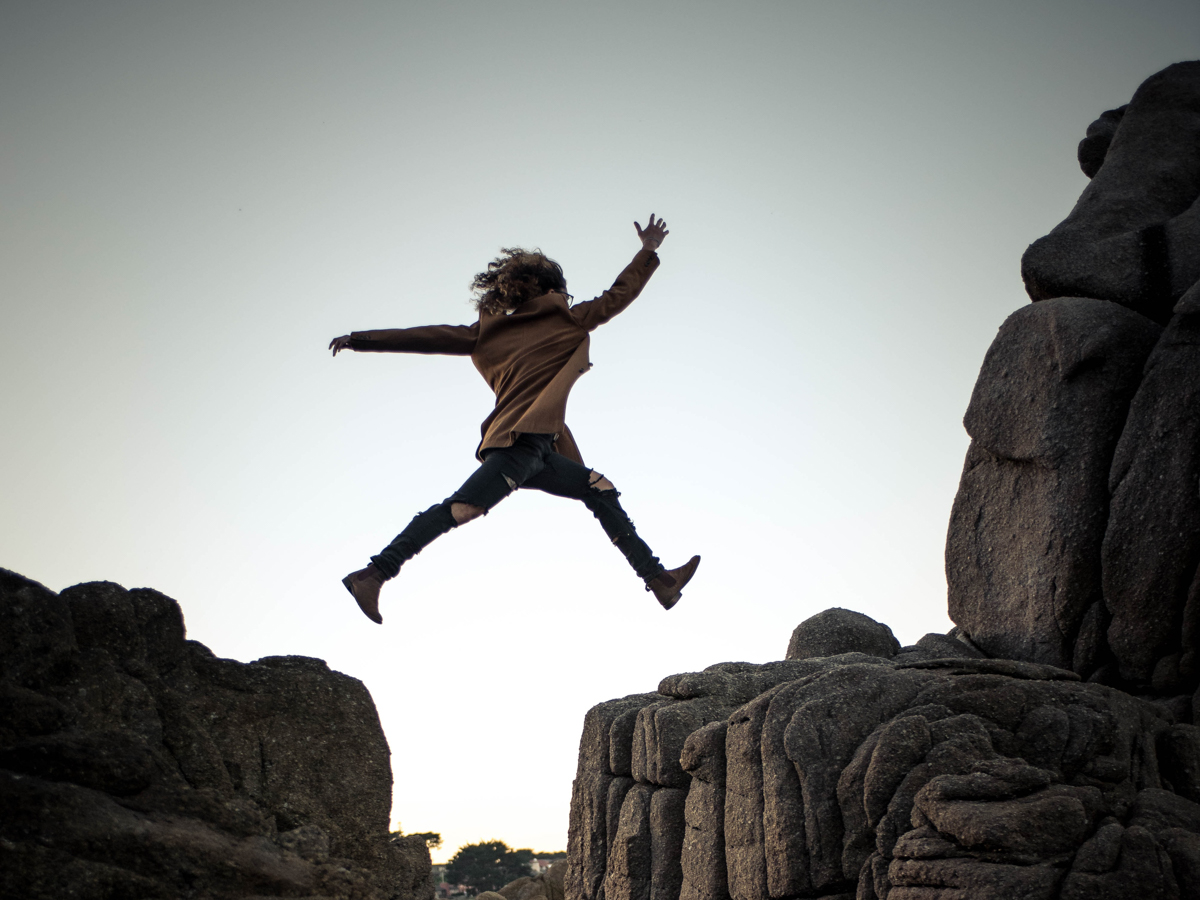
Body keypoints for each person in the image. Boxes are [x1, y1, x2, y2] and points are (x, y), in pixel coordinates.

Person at [329, 214, 699, 624]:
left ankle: (659, 579)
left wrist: (362, 340)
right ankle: (375, 573)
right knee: (462, 508)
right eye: (564, 289)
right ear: (552, 290)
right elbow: (618, 295)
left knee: (599, 488)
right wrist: (647, 251)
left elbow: (426, 335)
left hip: (541, 448)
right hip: (518, 444)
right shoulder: (567, 319)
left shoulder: (487, 332)